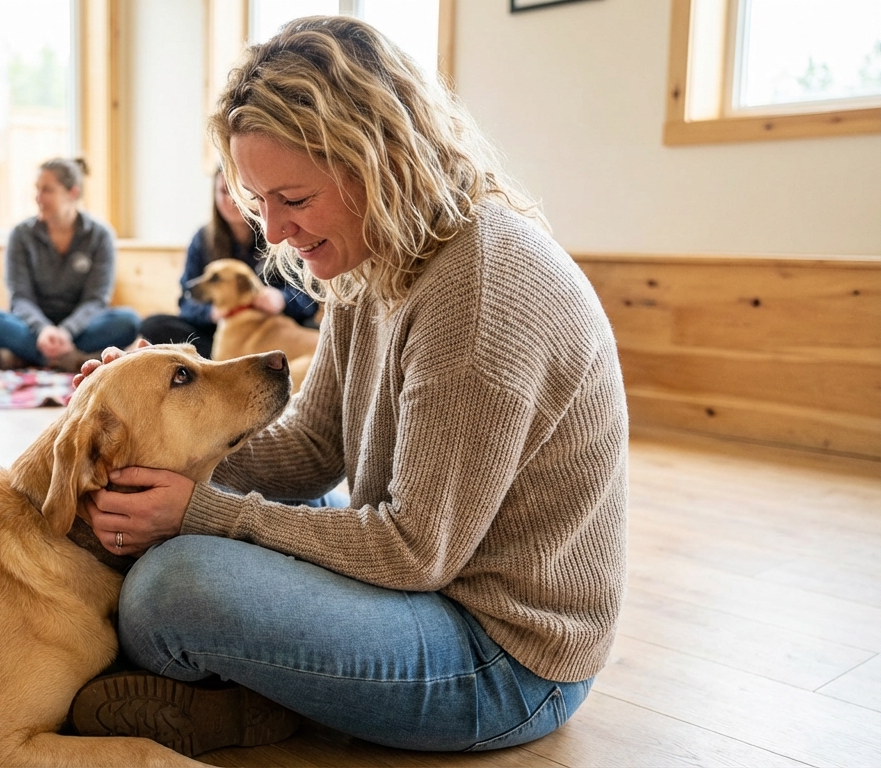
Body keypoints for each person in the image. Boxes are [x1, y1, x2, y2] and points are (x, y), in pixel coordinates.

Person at [67, 16, 628, 755]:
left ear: (379, 158)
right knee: (172, 528)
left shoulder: (481, 290)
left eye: (294, 200)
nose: (276, 231)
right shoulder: (375, 254)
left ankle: (247, 693)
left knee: (170, 588)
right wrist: (156, 439)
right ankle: (259, 700)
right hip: (419, 574)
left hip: (505, 658)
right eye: (259, 202)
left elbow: (413, 550)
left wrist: (202, 512)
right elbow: (313, 446)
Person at [0, 158, 139, 372]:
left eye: (47, 190)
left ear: (73, 193)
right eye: (37, 190)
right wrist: (43, 330)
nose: (38, 198)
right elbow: (20, 298)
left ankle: (25, 357)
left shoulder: (100, 236)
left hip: (82, 328)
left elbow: (96, 300)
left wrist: (66, 331)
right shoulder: (21, 235)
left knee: (129, 322)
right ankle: (73, 360)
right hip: (32, 328)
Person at [139, 168, 317, 359]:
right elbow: (186, 301)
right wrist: (212, 313)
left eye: (238, 192)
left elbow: (308, 298)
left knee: (317, 331)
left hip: (269, 328)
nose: (231, 200)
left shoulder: (278, 236)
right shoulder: (203, 239)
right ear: (214, 195)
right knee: (154, 325)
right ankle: (226, 360)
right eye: (224, 191)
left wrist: (281, 299)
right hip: (214, 329)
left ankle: (228, 361)